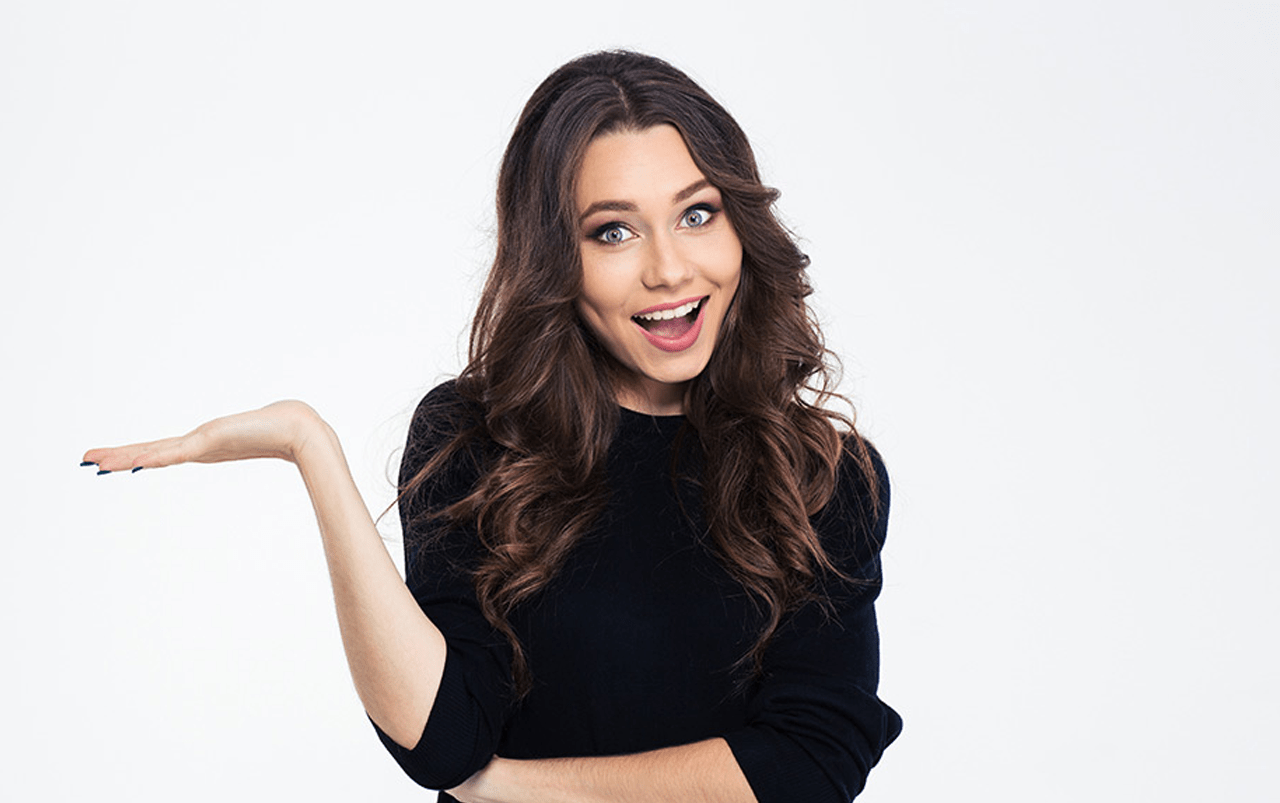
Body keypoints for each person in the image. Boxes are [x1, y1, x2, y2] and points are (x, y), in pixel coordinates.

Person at [83, 50, 901, 802]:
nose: (669, 269)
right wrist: (310, 447)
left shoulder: (823, 475)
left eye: (696, 214)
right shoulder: (478, 439)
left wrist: (512, 789)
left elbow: (812, 763)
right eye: (612, 231)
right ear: (554, 258)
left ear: (741, 225)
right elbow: (441, 741)